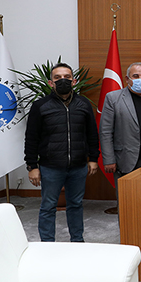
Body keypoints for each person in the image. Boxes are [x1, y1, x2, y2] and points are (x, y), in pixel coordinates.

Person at [24, 63, 99, 242]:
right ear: (50, 83)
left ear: (74, 81)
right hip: (50, 167)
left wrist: (93, 158)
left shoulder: (84, 104)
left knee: (76, 205)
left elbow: (92, 133)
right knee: (48, 206)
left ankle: (77, 241)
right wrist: (32, 166)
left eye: (67, 77)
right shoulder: (40, 106)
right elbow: (31, 138)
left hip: (78, 166)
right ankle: (47, 244)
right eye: (57, 78)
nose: (62, 80)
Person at [99, 62, 141, 188]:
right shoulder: (113, 98)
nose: (140, 79)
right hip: (126, 161)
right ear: (127, 79)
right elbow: (105, 131)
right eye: (136, 76)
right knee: (128, 197)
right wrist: (109, 159)